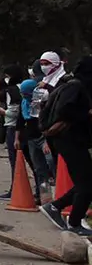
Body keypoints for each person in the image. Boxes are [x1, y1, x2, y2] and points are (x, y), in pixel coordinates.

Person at [38, 56, 92, 235]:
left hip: (70, 140)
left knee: (85, 182)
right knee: (86, 184)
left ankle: (55, 206)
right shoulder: (76, 86)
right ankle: (74, 223)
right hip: (70, 140)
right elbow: (66, 111)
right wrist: (86, 113)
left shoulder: (70, 84)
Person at [0, 65, 27, 201]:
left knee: (15, 161)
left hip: (13, 127)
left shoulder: (11, 90)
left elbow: (13, 112)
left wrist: (2, 112)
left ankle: (15, 189)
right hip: (26, 126)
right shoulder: (24, 87)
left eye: (7, 76)